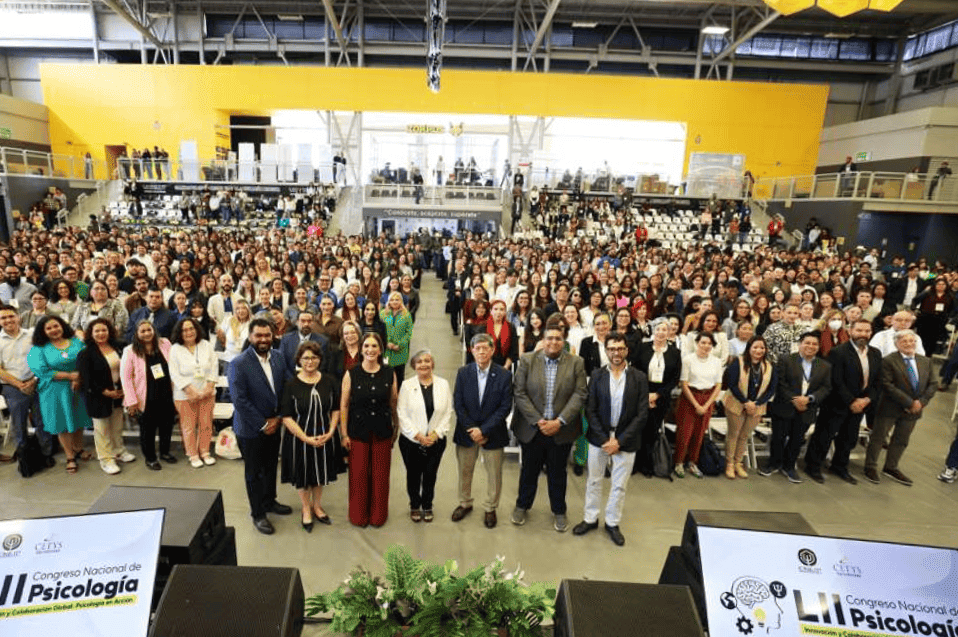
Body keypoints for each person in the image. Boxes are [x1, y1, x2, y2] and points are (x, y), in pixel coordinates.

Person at [511, 323, 587, 532]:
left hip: (561, 429)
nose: (554, 342)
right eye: (550, 338)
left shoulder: (576, 363)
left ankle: (559, 511)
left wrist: (559, 421)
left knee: (558, 473)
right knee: (528, 470)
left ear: (564, 342)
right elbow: (519, 392)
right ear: (543, 341)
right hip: (532, 428)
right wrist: (538, 420)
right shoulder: (527, 360)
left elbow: (580, 394)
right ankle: (522, 505)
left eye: (558, 338)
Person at [573, 332, 647, 546]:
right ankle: (590, 519)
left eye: (620, 349)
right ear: (606, 351)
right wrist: (606, 438)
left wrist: (619, 441)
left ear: (626, 350)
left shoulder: (639, 377)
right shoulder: (596, 375)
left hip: (626, 440)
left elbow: (642, 414)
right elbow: (590, 409)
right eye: (612, 349)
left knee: (619, 485)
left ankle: (612, 523)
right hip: (600, 438)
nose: (616, 353)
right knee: (594, 481)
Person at [228, 317, 294, 535]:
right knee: (253, 472)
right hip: (250, 429)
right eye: (259, 335)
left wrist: (278, 418)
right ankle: (258, 514)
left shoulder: (278, 357)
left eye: (267, 335)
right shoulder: (239, 364)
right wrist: (264, 423)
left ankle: (269, 501)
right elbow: (240, 401)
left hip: (274, 424)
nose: (264, 339)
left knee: (269, 467)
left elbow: (287, 386)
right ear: (250, 337)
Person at [804, 319, 881, 485]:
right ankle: (813, 466)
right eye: (859, 330)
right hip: (836, 404)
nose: (863, 334)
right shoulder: (838, 352)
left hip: (860, 406)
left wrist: (866, 400)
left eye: (867, 331)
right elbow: (836, 381)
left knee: (848, 438)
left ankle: (839, 466)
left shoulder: (875, 353)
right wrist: (852, 401)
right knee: (824, 436)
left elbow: (876, 381)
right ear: (850, 331)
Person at [452, 333, 514, 529]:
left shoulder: (504, 375)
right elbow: (458, 404)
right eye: (477, 348)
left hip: (493, 433)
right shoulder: (463, 373)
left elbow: (505, 407)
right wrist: (473, 430)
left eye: (485, 348)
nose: (481, 351)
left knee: (494, 474)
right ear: (471, 351)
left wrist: (484, 429)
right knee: (465, 470)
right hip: (466, 432)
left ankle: (490, 507)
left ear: (492, 350)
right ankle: (465, 503)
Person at [280, 341, 342, 531]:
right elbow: (287, 417)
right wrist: (305, 438)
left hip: (324, 436)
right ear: (299, 360)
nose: (310, 361)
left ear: (320, 359)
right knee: (303, 474)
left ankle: (317, 506)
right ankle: (306, 508)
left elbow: (335, 409)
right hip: (300, 438)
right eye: (306, 357)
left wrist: (331, 432)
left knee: (319, 473)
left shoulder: (330, 381)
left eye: (314, 357)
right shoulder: (291, 384)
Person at [339, 332, 399, 528]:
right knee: (358, 475)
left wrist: (395, 427)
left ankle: (378, 515)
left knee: (381, 476)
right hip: (358, 432)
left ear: (380, 349)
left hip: (382, 430)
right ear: (361, 349)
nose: (370, 350)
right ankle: (358, 515)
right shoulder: (351, 373)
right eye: (366, 346)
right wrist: (344, 433)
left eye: (374, 346)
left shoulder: (390, 373)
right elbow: (345, 405)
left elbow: (393, 403)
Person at [864, 329, 935, 486]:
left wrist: (921, 403)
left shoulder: (925, 361)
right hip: (890, 406)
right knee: (878, 438)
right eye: (904, 341)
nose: (909, 344)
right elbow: (887, 385)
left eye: (912, 341)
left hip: (914, 410)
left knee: (902, 439)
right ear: (897, 344)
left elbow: (933, 384)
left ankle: (891, 467)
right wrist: (909, 403)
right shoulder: (889, 361)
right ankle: (870, 466)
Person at [760, 331, 832, 483]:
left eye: (814, 344)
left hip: (807, 409)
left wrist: (809, 399)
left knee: (797, 440)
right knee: (778, 437)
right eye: (807, 343)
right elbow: (780, 382)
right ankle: (773, 463)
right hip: (785, 406)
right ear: (800, 344)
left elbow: (826, 388)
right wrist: (794, 399)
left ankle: (789, 466)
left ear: (818, 347)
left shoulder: (825, 366)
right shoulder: (786, 360)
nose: (810, 346)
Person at [28, 315, 93, 475]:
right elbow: (41, 370)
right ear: (43, 331)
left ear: (62, 325)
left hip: (78, 387)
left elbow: (87, 359)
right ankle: (70, 456)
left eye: (56, 326)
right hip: (54, 390)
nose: (53, 330)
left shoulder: (76, 341)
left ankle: (78, 448)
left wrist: (79, 376)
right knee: (61, 422)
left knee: (79, 419)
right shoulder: (38, 348)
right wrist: (71, 376)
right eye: (48, 328)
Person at [397, 349, 451, 523]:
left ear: (432, 364)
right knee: (413, 474)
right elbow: (401, 413)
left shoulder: (443, 384)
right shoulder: (406, 385)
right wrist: (418, 435)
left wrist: (435, 434)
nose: (423, 364)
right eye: (419, 362)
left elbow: (448, 412)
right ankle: (414, 504)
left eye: (427, 361)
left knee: (430, 474)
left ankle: (427, 504)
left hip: (436, 441)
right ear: (414, 366)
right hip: (411, 441)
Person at [77, 317, 134, 475]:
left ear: (109, 331)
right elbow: (86, 379)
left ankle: (119, 450)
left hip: (118, 393)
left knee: (116, 425)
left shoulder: (119, 347)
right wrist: (103, 391)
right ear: (91, 333)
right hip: (98, 395)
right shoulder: (85, 353)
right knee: (102, 429)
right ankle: (106, 459)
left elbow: (128, 368)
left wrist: (123, 389)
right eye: (97, 331)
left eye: (104, 330)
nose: (101, 333)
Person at [0, 305, 54, 466]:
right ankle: (24, 454)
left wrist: (34, 379)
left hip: (36, 381)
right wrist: (19, 384)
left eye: (11, 316)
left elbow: (44, 358)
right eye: (3, 318)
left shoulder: (32, 335)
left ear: (19, 317)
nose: (8, 320)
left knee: (42, 419)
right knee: (19, 422)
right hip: (12, 386)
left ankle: (47, 452)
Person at [120, 319, 175, 470]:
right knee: (148, 430)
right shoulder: (130, 351)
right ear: (137, 334)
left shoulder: (165, 343)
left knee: (166, 426)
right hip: (145, 397)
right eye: (142, 331)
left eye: (149, 330)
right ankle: (150, 457)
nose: (146, 333)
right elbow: (126, 378)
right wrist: (131, 401)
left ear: (154, 330)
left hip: (166, 394)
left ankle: (165, 452)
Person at [721, 335, 776, 480]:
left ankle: (739, 463)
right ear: (749, 348)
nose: (759, 350)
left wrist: (756, 403)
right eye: (755, 347)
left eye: (762, 348)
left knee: (745, 436)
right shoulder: (737, 362)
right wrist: (745, 402)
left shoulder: (769, 366)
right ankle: (729, 464)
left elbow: (771, 389)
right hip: (736, 403)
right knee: (734, 434)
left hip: (757, 406)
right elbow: (731, 385)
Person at [631, 320, 682, 476]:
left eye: (664, 329)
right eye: (658, 329)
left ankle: (646, 464)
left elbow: (674, 379)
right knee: (637, 429)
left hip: (661, 396)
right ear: (653, 331)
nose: (661, 332)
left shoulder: (675, 352)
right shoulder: (642, 347)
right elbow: (635, 371)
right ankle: (634, 464)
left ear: (669, 333)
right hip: (641, 394)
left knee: (652, 431)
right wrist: (646, 395)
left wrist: (657, 395)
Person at [169, 317, 219, 468]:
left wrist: (208, 388)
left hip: (207, 393)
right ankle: (193, 454)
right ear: (179, 332)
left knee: (206, 424)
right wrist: (191, 391)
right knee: (188, 426)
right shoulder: (175, 349)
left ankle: (205, 452)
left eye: (191, 328)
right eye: (184, 330)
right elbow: (174, 373)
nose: (189, 332)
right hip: (184, 395)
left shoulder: (206, 345)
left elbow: (214, 367)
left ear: (197, 329)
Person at [672, 332, 723, 478]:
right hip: (689, 398)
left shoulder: (716, 361)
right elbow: (684, 384)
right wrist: (696, 404)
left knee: (700, 433)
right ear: (697, 343)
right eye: (703, 343)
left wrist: (706, 405)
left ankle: (693, 463)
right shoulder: (688, 360)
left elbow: (718, 385)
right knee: (685, 432)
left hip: (708, 399)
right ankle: (679, 462)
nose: (706, 346)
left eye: (709, 344)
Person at [279, 309, 330, 377]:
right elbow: (281, 362)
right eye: (303, 321)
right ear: (297, 322)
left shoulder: (323, 341)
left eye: (309, 321)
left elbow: (323, 365)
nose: (306, 324)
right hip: (290, 380)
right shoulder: (286, 339)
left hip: (313, 379)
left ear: (313, 323)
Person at [381, 291, 413, 386]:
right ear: (388, 302)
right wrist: (385, 343)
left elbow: (409, 333)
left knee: (399, 379)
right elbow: (379, 331)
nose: (394, 302)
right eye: (392, 300)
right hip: (386, 351)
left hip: (400, 352)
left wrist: (400, 345)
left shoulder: (406, 315)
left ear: (401, 301)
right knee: (386, 378)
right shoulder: (383, 314)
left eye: (397, 300)